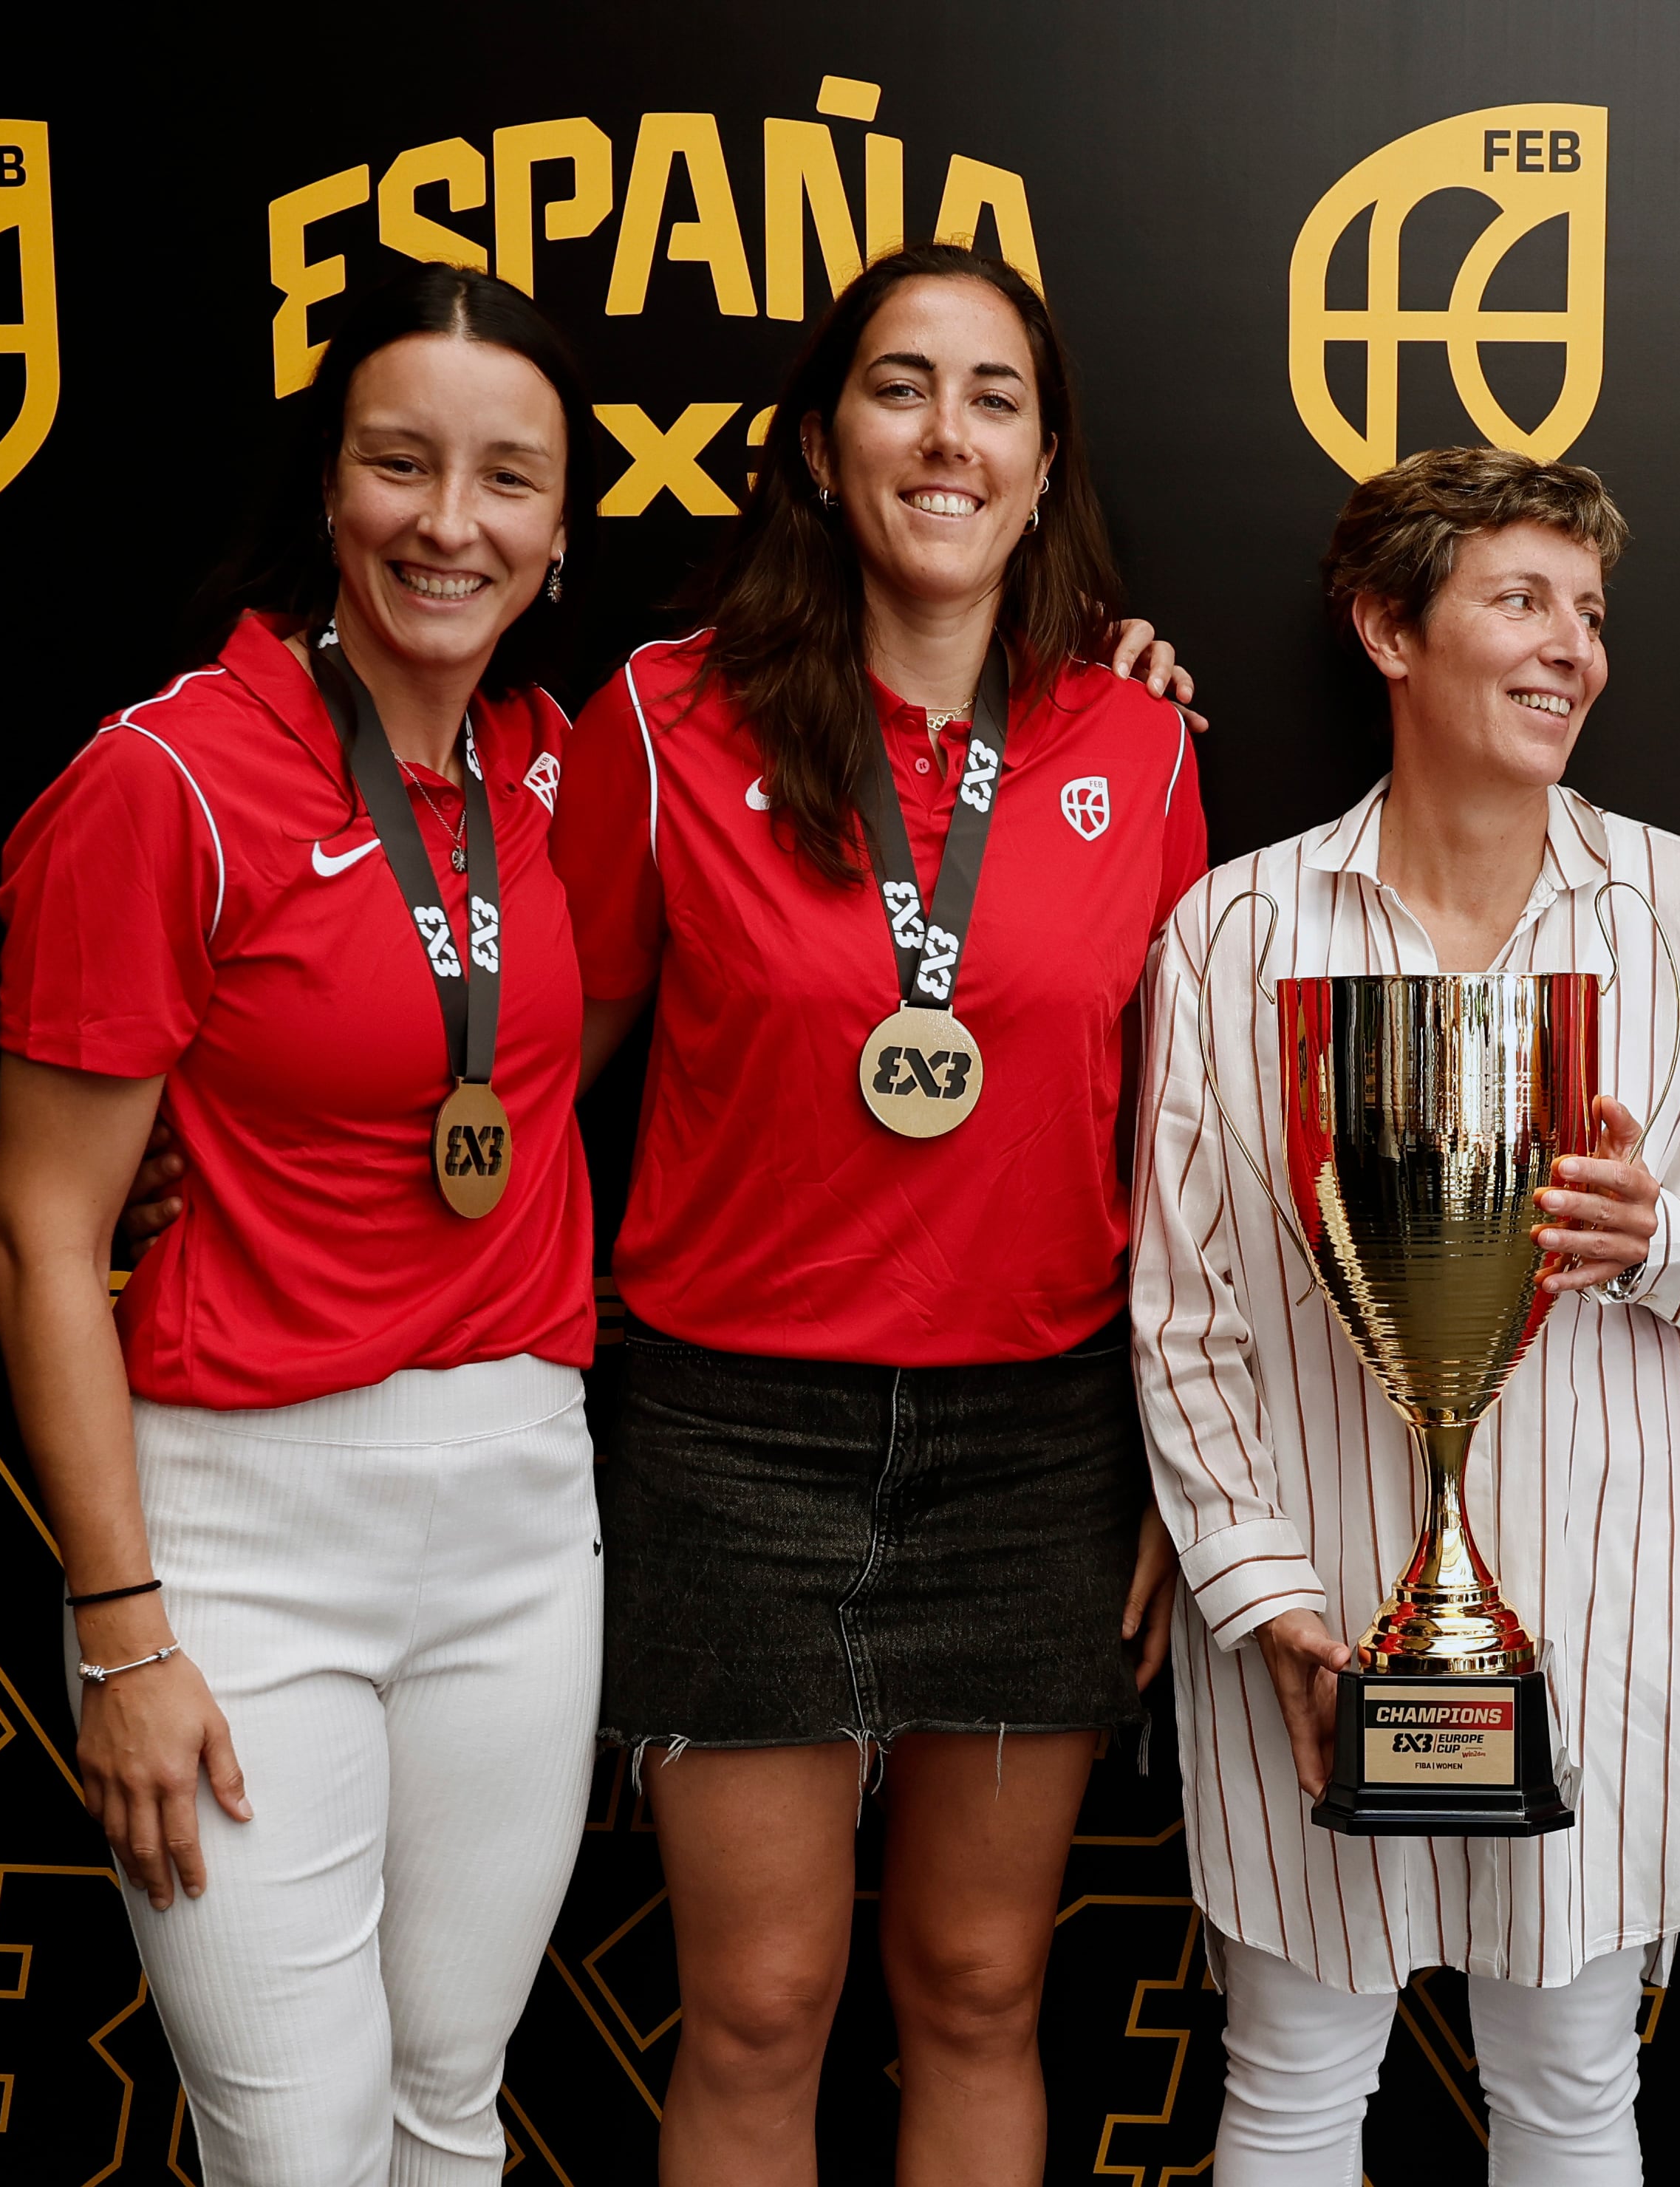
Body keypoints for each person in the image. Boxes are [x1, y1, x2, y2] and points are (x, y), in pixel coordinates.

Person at [550, 245, 1199, 2187]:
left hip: (1034, 1441)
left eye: (993, 395)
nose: (946, 433)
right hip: (732, 1434)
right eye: (899, 387)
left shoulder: (1141, 744)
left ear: (1045, 454)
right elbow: (520, 1075)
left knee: (983, 1985)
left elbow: (1176, 1151)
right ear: (824, 451)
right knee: (758, 2001)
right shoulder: (663, 723)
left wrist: (1181, 1470)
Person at [0, 262, 605, 2184]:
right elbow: (37, 1236)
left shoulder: (553, 763)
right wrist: (122, 1636)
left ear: (560, 528)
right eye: (402, 464)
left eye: (507, 478)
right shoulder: (161, 780)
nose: (452, 521)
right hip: (243, 1539)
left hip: (518, 1520)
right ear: (328, 491)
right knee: (296, 2142)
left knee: (445, 2105)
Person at [1132, 446, 1680, 2184]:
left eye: (1588, 615)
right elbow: (1183, 1307)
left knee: (1575, 2089)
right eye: (1518, 601)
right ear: (1384, 628)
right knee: (1286, 2081)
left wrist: (1652, 1237)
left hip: (1595, 1610)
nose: (1568, 649)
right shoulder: (1232, 929)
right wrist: (1265, 1601)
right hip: (1318, 1621)